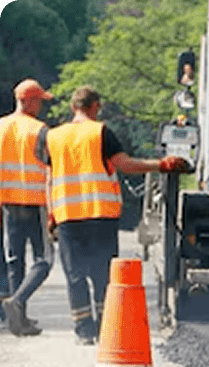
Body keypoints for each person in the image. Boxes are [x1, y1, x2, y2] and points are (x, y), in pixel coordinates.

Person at [35, 85, 191, 345]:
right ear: (95, 106)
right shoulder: (101, 132)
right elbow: (125, 165)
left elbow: (49, 179)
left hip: (67, 215)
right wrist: (162, 164)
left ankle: (84, 331)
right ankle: (104, 327)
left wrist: (51, 214)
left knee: (75, 274)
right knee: (102, 273)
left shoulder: (53, 136)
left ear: (73, 107)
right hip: (100, 214)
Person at [0, 78, 55, 336]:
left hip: (7, 204)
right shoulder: (39, 130)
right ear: (30, 101)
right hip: (35, 203)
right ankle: (18, 302)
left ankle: (17, 321)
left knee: (15, 261)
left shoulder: (1, 126)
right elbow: (52, 169)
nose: (41, 106)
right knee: (44, 259)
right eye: (40, 101)